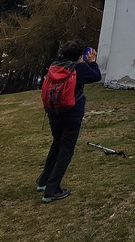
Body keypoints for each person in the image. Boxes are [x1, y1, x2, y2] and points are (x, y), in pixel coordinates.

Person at [37, 39, 101, 203]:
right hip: (72, 112)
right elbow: (96, 76)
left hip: (53, 111)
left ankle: (44, 181)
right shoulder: (78, 67)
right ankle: (52, 191)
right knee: (66, 150)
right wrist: (92, 62)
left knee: (57, 144)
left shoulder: (55, 66)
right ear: (80, 55)